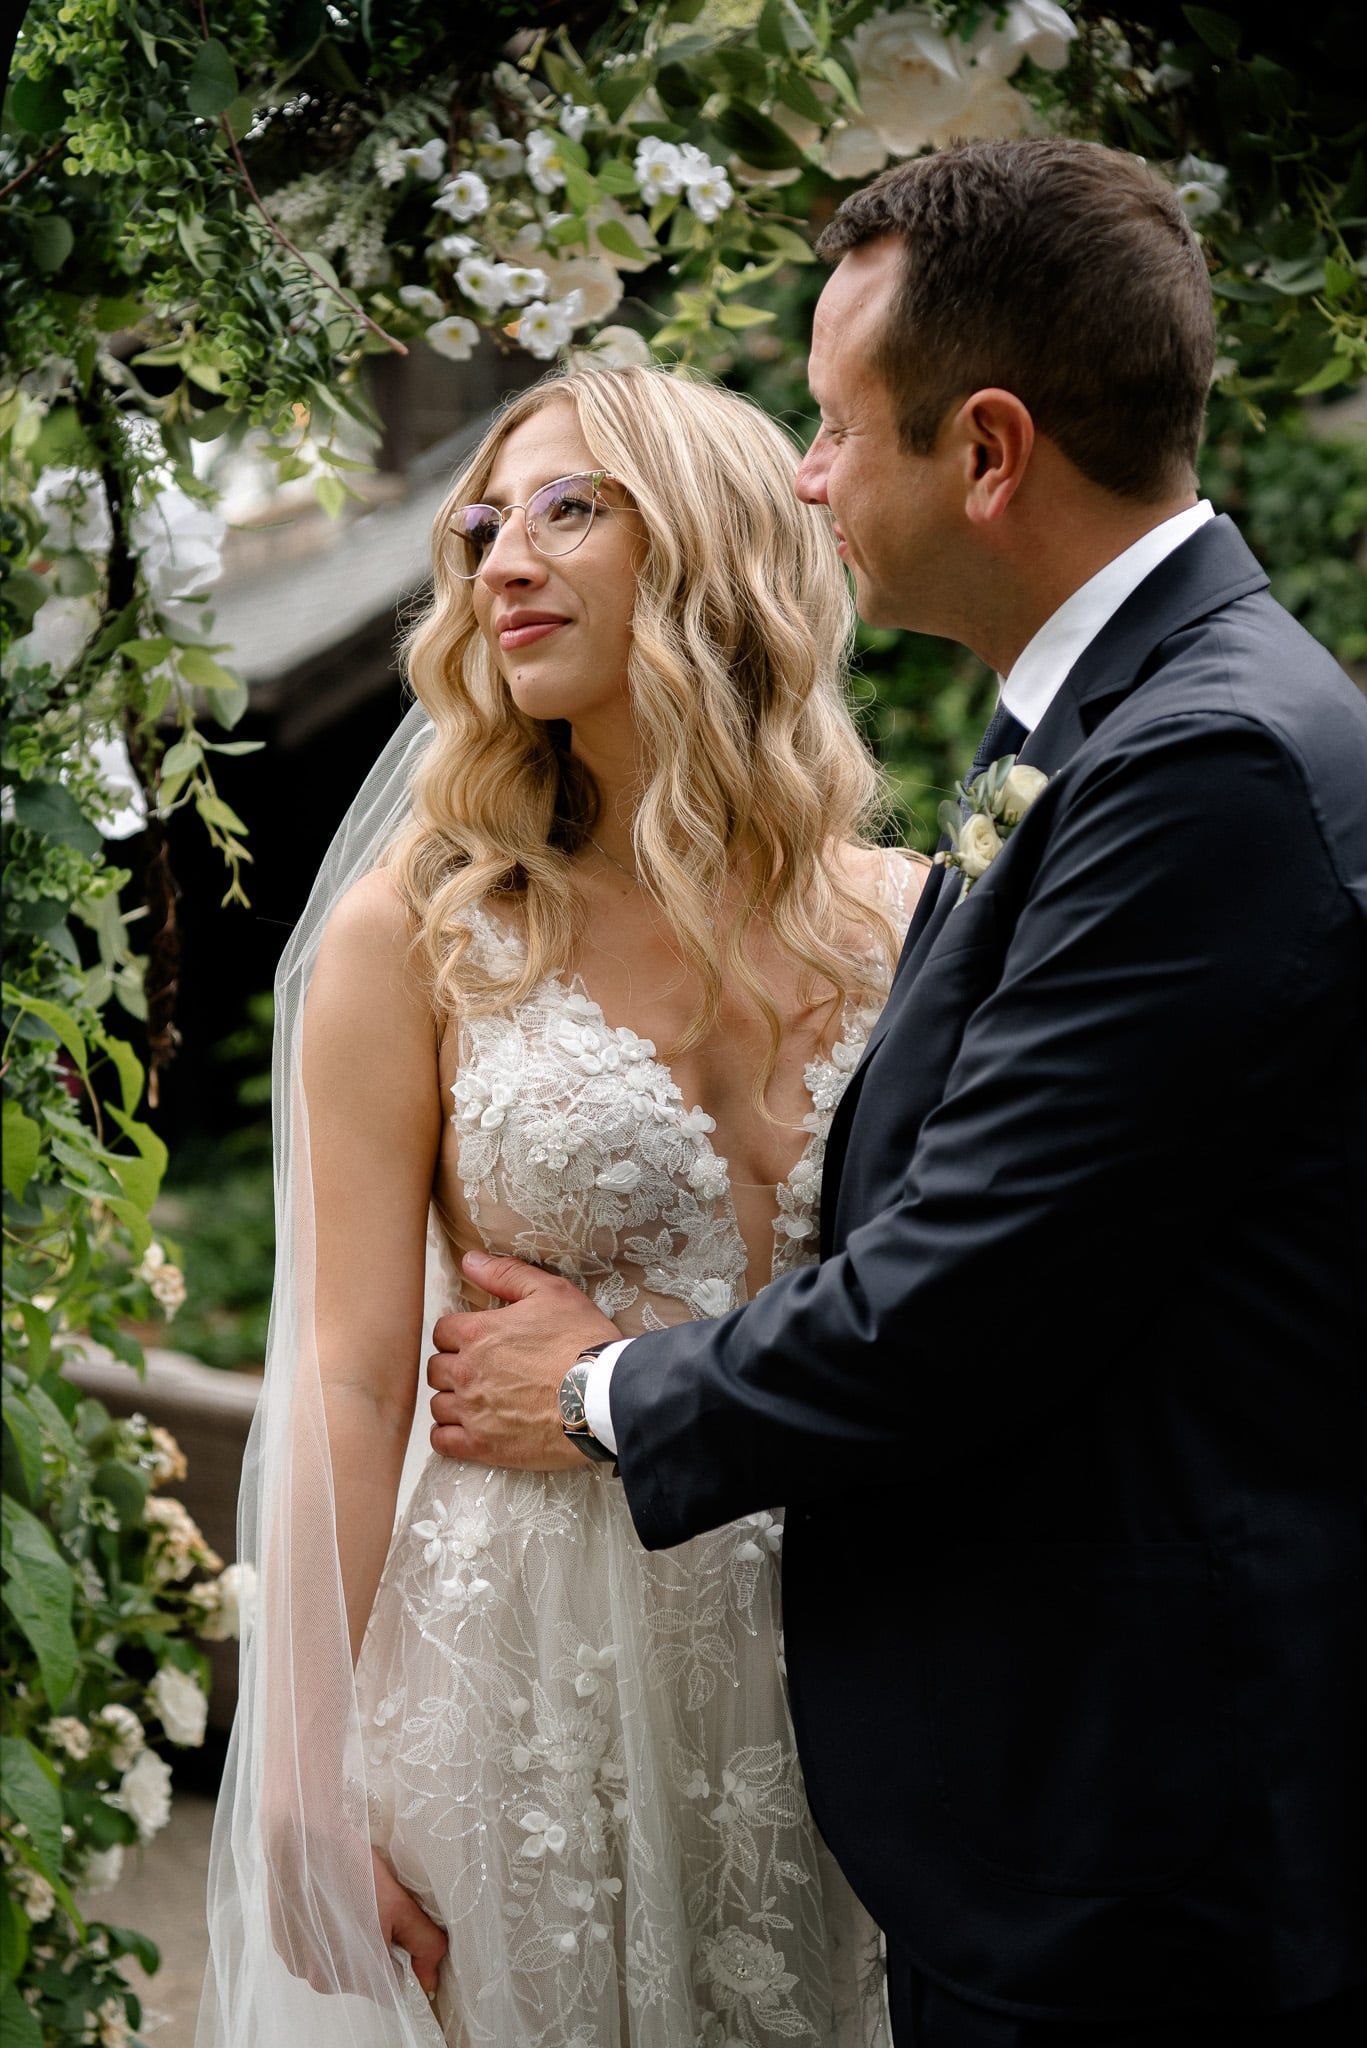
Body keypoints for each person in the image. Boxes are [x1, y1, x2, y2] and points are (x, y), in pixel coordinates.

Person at [422, 140, 1367, 2045]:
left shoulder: (1209, 766)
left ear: (991, 451)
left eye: (844, 426)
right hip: (1034, 1781)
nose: (807, 474)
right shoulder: (1153, 725)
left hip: (1142, 1826)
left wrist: (597, 1386)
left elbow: (961, 1297)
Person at [198, 362, 928, 2048]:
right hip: (529, 1676)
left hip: (862, 1653)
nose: (500, 562)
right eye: (482, 525)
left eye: (566, 509)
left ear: (715, 545)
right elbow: (352, 1374)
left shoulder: (912, 927)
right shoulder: (429, 935)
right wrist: (300, 1771)